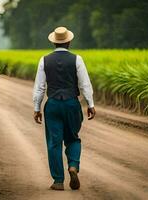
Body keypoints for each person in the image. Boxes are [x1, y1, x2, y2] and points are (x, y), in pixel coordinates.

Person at [33, 27, 96, 191]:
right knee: (73, 138)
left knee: (54, 143)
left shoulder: (44, 60)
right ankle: (73, 166)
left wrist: (36, 108)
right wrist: (90, 104)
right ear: (69, 41)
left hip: (53, 104)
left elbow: (39, 87)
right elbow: (85, 84)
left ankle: (58, 181)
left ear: (54, 42)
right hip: (71, 104)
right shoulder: (77, 59)